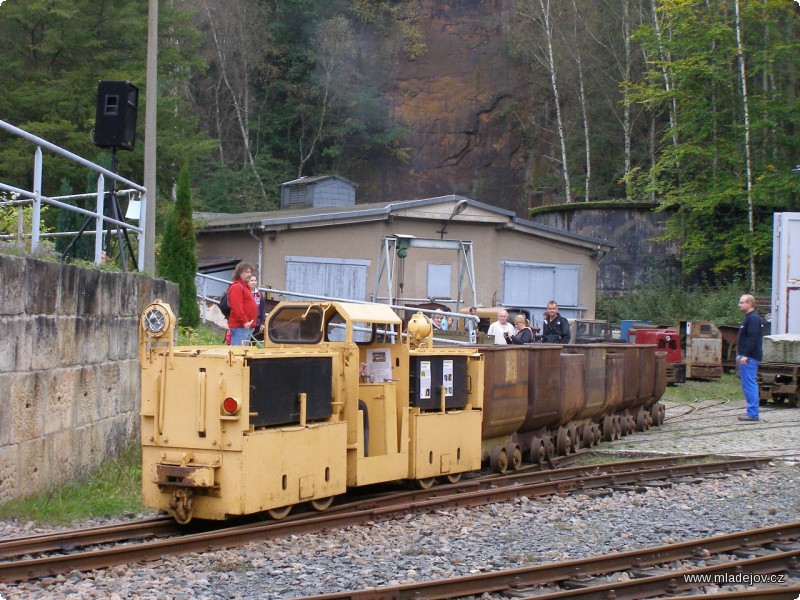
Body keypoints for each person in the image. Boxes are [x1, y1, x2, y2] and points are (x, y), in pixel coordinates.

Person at [736, 293, 763, 422]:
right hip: (746, 356)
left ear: (750, 304)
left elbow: (752, 338)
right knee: (747, 384)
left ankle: (752, 413)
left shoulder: (753, 318)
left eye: (742, 303)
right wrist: (739, 354)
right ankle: (751, 411)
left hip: (750, 357)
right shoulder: (748, 317)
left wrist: (745, 355)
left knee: (749, 384)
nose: (739, 305)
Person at [227, 262, 257, 346]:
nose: (250, 274)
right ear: (240, 273)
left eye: (250, 272)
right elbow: (236, 307)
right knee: (238, 353)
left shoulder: (245, 287)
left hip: (246, 327)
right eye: (247, 272)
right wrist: (244, 321)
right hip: (240, 326)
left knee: (244, 352)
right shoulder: (237, 287)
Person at [249, 275, 267, 342]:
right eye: (252, 280)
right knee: (246, 342)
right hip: (248, 323)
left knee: (253, 342)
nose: (254, 282)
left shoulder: (259, 294)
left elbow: (263, 309)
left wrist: (262, 323)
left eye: (255, 280)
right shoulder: (246, 293)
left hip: (257, 323)